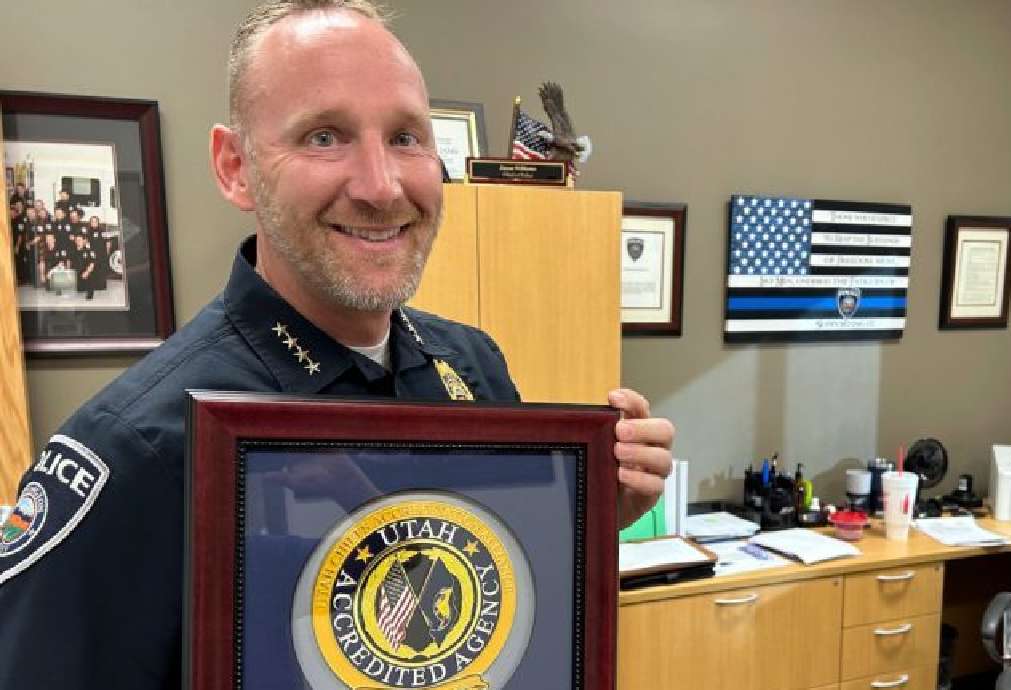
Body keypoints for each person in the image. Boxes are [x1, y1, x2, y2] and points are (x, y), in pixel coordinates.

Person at [0, 3, 675, 688]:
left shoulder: (471, 369)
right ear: (235, 168)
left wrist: (584, 520)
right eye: (325, 137)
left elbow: (485, 622)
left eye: (408, 137)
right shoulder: (138, 450)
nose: (382, 186)